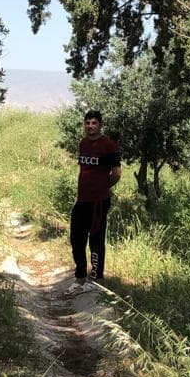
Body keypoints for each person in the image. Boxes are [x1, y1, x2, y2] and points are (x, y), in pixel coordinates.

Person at [71, 109, 121, 287]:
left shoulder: (108, 145)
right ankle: (80, 277)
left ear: (100, 125)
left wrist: (103, 186)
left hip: (99, 201)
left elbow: (116, 173)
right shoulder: (83, 143)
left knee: (96, 240)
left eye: (94, 123)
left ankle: (96, 279)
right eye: (87, 123)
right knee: (76, 238)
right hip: (82, 199)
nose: (90, 126)